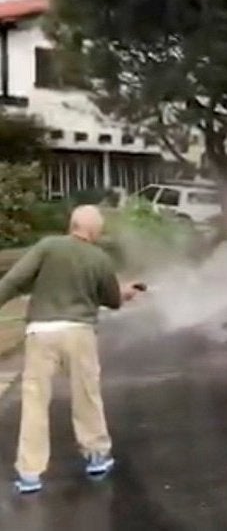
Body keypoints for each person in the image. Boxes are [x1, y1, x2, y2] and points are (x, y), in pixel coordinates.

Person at [0, 205, 142, 494]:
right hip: (79, 334)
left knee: (35, 402)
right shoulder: (99, 257)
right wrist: (125, 292)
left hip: (41, 333)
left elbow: (15, 281)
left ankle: (29, 474)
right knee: (86, 396)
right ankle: (96, 456)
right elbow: (113, 300)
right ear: (92, 229)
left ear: (73, 224)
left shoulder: (48, 246)